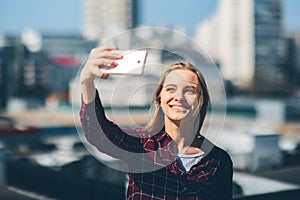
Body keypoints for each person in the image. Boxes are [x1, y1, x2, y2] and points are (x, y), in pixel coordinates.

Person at [80, 45, 233, 200]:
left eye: (189, 90)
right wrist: (87, 82)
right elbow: (98, 133)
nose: (179, 97)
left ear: (201, 101)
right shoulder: (141, 145)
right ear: (159, 99)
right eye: (171, 89)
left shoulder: (219, 161)